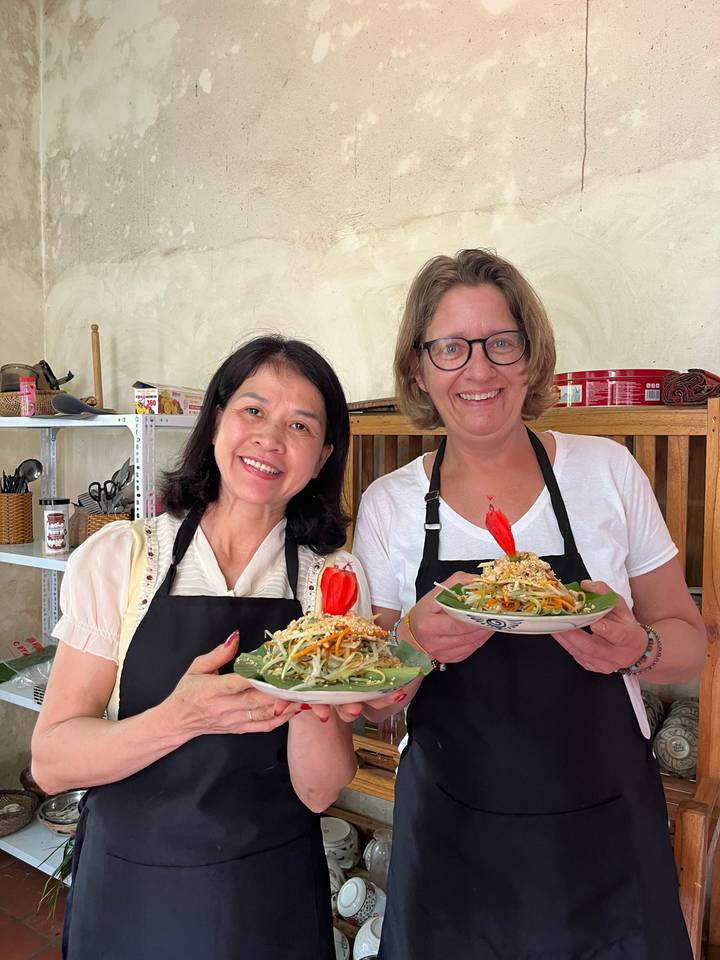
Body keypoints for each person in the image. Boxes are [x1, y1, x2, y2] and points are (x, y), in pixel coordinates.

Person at [352, 249, 707, 959]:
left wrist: (639, 648)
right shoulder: (389, 505)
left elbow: (690, 641)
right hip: (450, 833)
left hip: (604, 826)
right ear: (419, 368)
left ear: (531, 358)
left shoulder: (607, 472)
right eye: (450, 348)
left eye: (500, 344)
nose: (477, 370)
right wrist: (410, 650)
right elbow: (372, 703)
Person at [32, 335, 371, 960]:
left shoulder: (333, 582)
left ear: (322, 455)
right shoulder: (124, 559)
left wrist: (316, 697)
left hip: (269, 894)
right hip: (132, 887)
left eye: (300, 425)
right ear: (215, 420)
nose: (271, 438)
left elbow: (321, 791)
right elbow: (53, 761)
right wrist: (181, 718)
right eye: (253, 410)